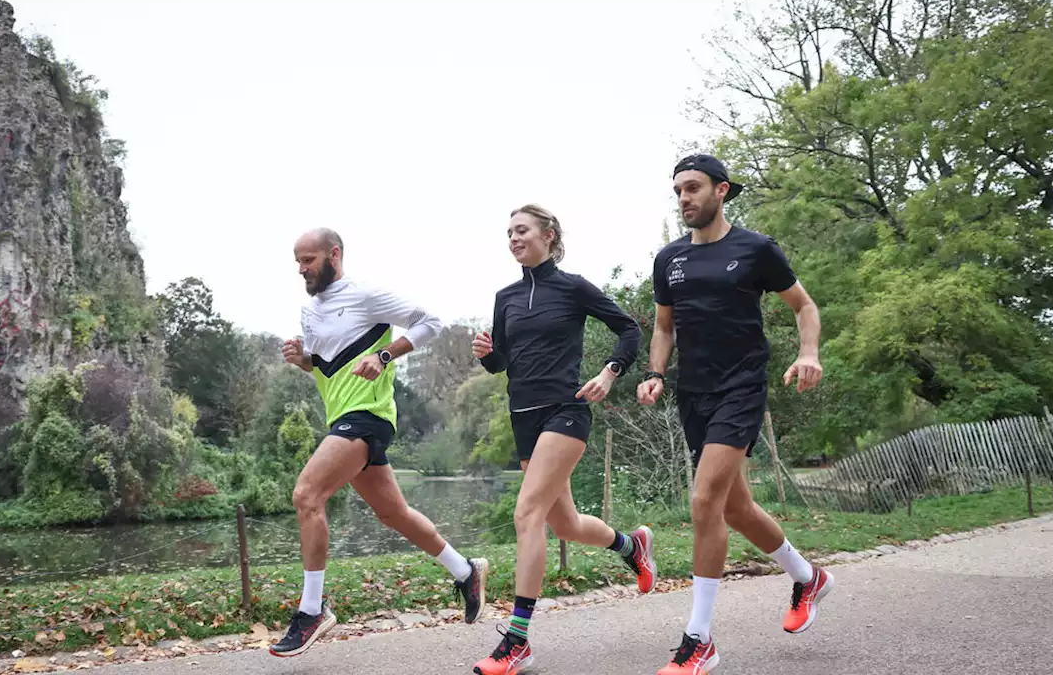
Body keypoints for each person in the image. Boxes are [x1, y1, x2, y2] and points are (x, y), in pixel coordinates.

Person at [638, 154, 833, 675]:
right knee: (735, 508)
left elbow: (804, 306)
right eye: (677, 189)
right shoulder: (669, 259)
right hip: (694, 392)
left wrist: (808, 352)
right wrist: (656, 372)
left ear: (721, 191)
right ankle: (807, 577)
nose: (684, 197)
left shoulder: (755, 249)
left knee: (704, 501)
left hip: (741, 384)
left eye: (694, 187)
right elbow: (664, 327)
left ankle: (698, 641)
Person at [269, 227, 489, 658]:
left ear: (334, 254)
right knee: (394, 514)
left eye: (309, 260)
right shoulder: (309, 311)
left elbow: (431, 322)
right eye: (297, 261)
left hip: (369, 417)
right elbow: (324, 367)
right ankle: (465, 572)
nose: (301, 269)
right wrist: (303, 361)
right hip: (341, 417)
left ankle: (312, 609)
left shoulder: (367, 295)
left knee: (307, 494)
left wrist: (385, 355)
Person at [469, 205, 657, 675]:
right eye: (508, 232)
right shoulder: (505, 296)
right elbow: (505, 363)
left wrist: (610, 372)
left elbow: (629, 329)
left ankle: (516, 641)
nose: (513, 238)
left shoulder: (573, 288)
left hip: (565, 409)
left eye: (522, 230)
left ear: (548, 236)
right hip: (523, 417)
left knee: (526, 514)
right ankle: (631, 548)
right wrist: (487, 357)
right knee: (567, 524)